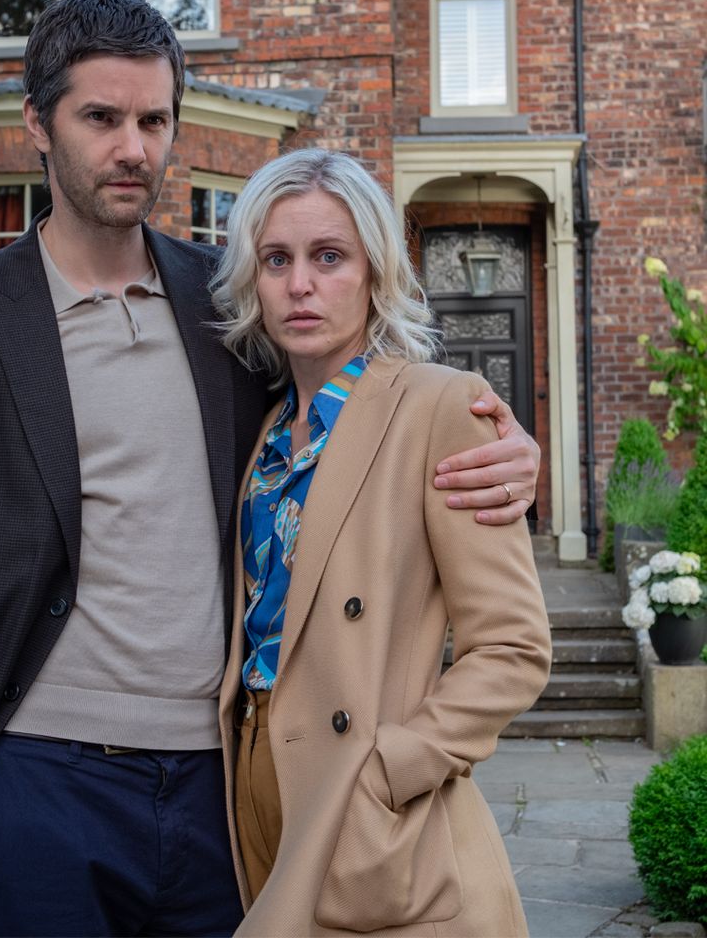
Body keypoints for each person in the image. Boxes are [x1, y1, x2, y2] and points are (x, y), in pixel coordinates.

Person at [0, 0, 541, 938]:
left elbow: (368, 406)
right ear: (37, 122)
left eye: (155, 120)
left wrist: (506, 442)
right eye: (102, 118)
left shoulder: (231, 305)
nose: (135, 148)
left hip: (225, 792)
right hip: (31, 785)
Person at [209, 148, 553, 937]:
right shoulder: (266, 435)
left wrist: (396, 766)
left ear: (375, 271)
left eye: (329, 257)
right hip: (253, 778)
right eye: (276, 259)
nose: (300, 284)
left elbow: (513, 647)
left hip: (368, 794)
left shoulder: (441, 407)